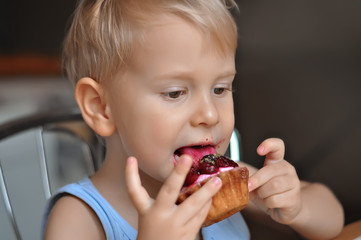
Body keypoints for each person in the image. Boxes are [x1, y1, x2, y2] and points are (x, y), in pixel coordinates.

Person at [42, 0, 344, 239]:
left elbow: (332, 222)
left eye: (220, 88)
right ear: (101, 108)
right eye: (175, 93)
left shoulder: (223, 184)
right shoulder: (79, 218)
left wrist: (296, 206)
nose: (210, 114)